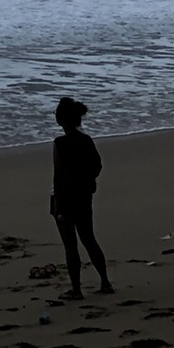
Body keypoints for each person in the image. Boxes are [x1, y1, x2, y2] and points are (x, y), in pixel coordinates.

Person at [51, 96, 112, 299]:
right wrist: (88, 183)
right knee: (89, 240)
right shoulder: (86, 140)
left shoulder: (59, 143)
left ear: (61, 120)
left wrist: (58, 207)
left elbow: (58, 178)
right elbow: (97, 166)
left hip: (66, 200)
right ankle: (105, 282)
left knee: (71, 246)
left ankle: (76, 289)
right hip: (84, 197)